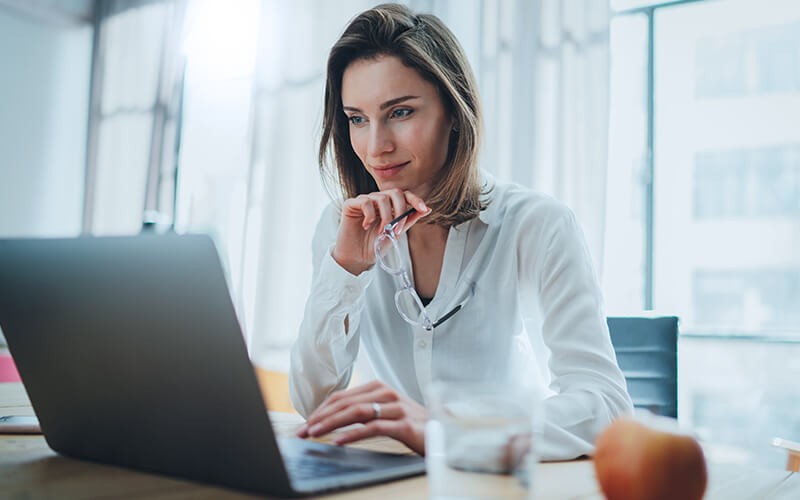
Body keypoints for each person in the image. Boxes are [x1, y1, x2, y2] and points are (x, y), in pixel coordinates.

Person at [289, 2, 632, 460]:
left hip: (503, 480)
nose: (376, 147)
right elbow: (314, 404)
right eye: (357, 119)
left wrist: (448, 431)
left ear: (454, 110)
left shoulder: (537, 224)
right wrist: (346, 270)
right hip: (393, 481)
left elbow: (606, 406)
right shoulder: (343, 227)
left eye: (401, 112)